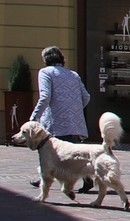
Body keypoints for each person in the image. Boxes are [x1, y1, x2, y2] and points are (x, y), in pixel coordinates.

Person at [28, 46, 95, 191]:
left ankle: (46, 178)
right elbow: (86, 96)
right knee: (72, 150)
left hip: (54, 119)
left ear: (46, 59)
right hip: (72, 119)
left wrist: (35, 117)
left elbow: (45, 97)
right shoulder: (73, 74)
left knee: (49, 150)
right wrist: (74, 109)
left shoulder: (45, 72)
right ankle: (85, 178)